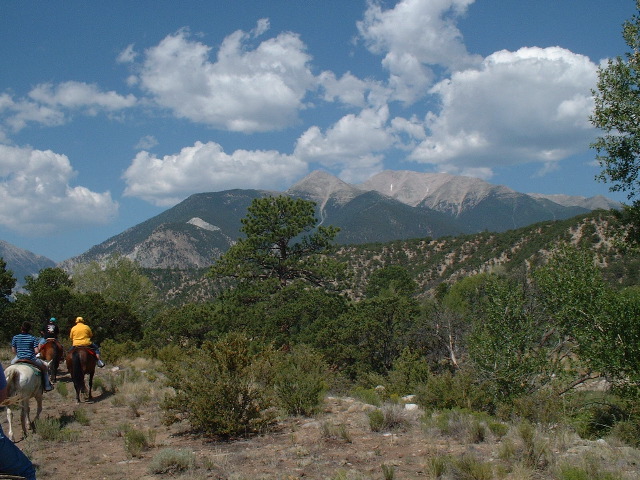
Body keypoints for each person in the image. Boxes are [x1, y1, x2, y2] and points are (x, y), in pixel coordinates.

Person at [0, 362, 38, 480]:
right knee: (27, 471)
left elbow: (13, 350)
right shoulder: (37, 341)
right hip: (29, 358)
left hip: (17, 359)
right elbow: (1, 397)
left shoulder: (16, 341)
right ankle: (47, 384)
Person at [11, 321, 54, 392]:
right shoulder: (32, 338)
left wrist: (19, 353)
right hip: (31, 358)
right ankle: (47, 386)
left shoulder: (15, 337)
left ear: (21, 328)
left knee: (11, 366)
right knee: (45, 368)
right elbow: (36, 351)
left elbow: (13, 351)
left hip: (18, 358)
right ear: (29, 329)